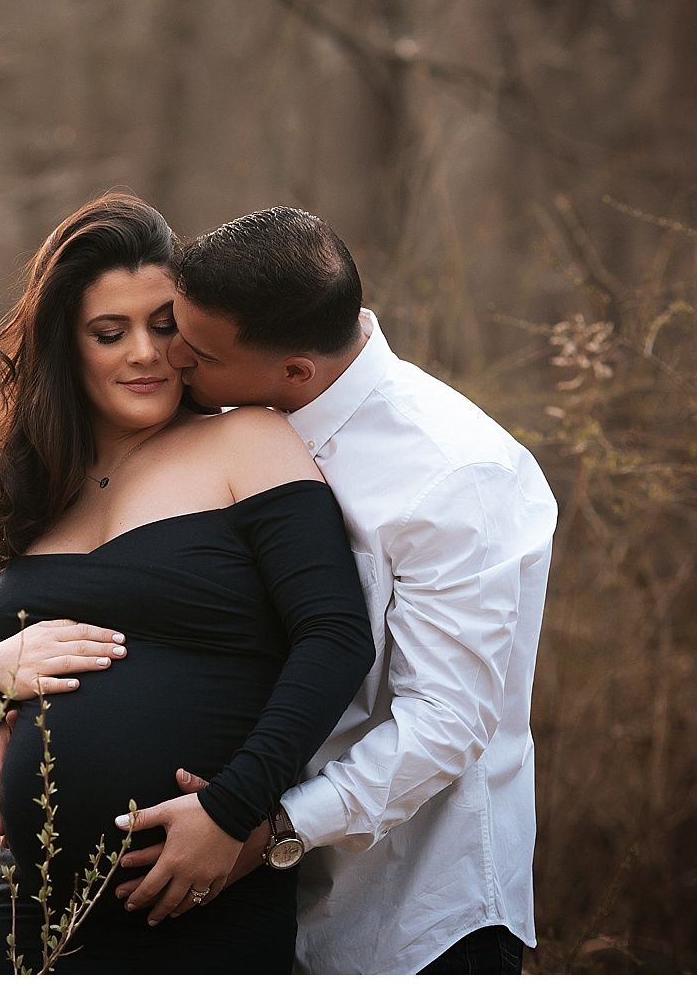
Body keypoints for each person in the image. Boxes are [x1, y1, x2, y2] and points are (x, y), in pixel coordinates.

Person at [100, 206, 557, 974]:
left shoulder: (454, 472)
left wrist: (265, 825)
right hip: (253, 916)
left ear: (296, 373)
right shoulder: (233, 425)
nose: (171, 357)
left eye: (197, 349)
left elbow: (445, 722)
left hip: (413, 919)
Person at [0, 193, 373, 973]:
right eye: (111, 333)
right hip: (34, 913)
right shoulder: (14, 493)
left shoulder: (249, 441)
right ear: (66, 348)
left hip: (204, 896)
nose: (146, 352)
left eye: (164, 325)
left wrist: (233, 810)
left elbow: (335, 635)